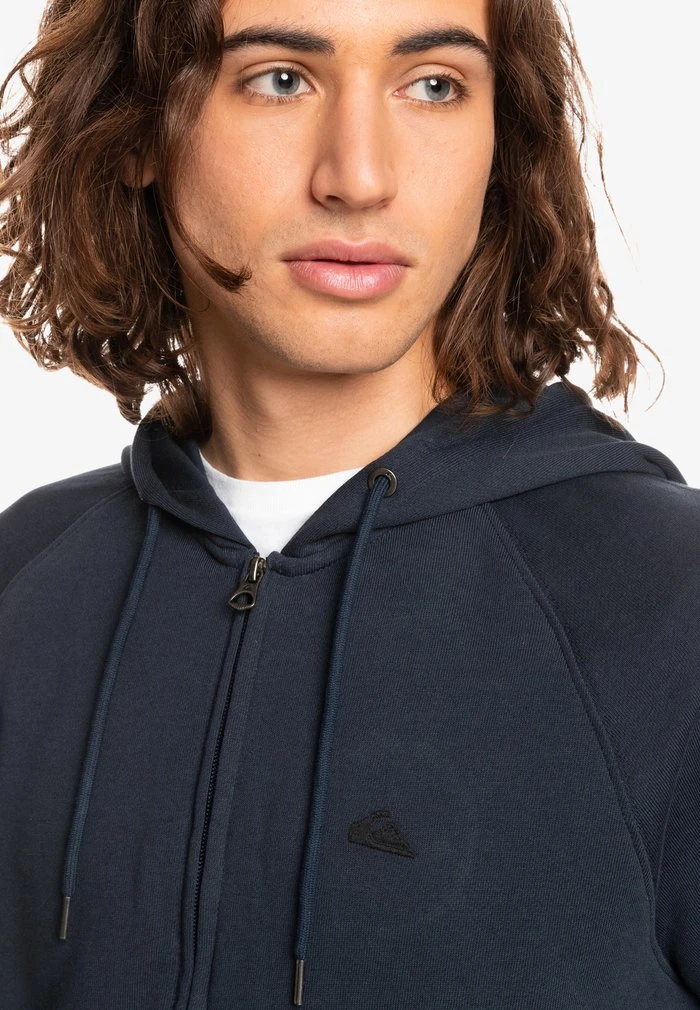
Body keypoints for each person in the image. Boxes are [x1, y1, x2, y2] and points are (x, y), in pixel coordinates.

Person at [0, 0, 698, 1006]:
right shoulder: (24, 582)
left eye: (434, 85)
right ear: (136, 127)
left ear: (500, 140)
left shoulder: (670, 606)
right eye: (280, 79)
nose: (360, 176)